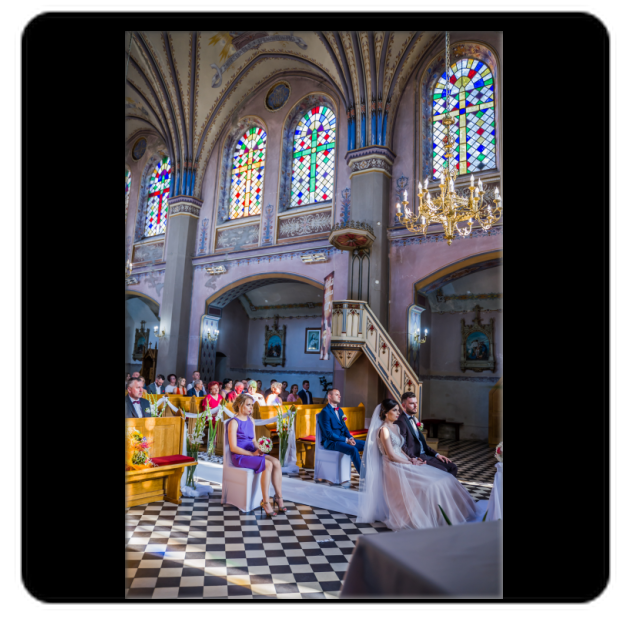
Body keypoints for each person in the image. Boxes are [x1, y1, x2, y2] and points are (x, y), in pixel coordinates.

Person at [357, 399, 476, 531]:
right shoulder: (383, 430)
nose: (398, 413)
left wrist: (412, 459)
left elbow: (400, 448)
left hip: (403, 460)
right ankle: (421, 517)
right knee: (429, 486)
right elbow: (391, 455)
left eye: (398, 410)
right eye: (394, 410)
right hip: (393, 465)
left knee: (445, 478)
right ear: (385, 413)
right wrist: (409, 463)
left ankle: (447, 515)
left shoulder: (396, 427)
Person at [227, 393, 286, 516]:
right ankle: (265, 501)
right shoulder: (234, 422)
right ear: (240, 405)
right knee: (268, 464)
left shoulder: (251, 420)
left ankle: (278, 496)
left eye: (252, 405)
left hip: (252, 452)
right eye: (248, 405)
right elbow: (233, 447)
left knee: (276, 462)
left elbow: (253, 440)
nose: (251, 408)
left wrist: (260, 449)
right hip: (240, 456)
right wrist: (251, 454)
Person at [394, 392, 457, 476]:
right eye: (412, 403)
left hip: (426, 454)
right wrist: (414, 458)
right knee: (443, 470)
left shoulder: (415, 419)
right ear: (404, 406)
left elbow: (422, 443)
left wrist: (437, 455)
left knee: (453, 467)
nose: (416, 406)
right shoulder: (401, 421)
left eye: (416, 403)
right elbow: (403, 445)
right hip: (418, 456)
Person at [317, 388, 365, 474]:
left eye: (339, 394)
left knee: (367, 445)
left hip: (343, 440)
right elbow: (329, 434)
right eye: (336, 395)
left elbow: (344, 428)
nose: (340, 396)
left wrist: (350, 437)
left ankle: (372, 471)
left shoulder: (340, 410)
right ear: (329, 396)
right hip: (331, 442)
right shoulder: (325, 412)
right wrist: (346, 440)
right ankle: (363, 475)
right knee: (353, 450)